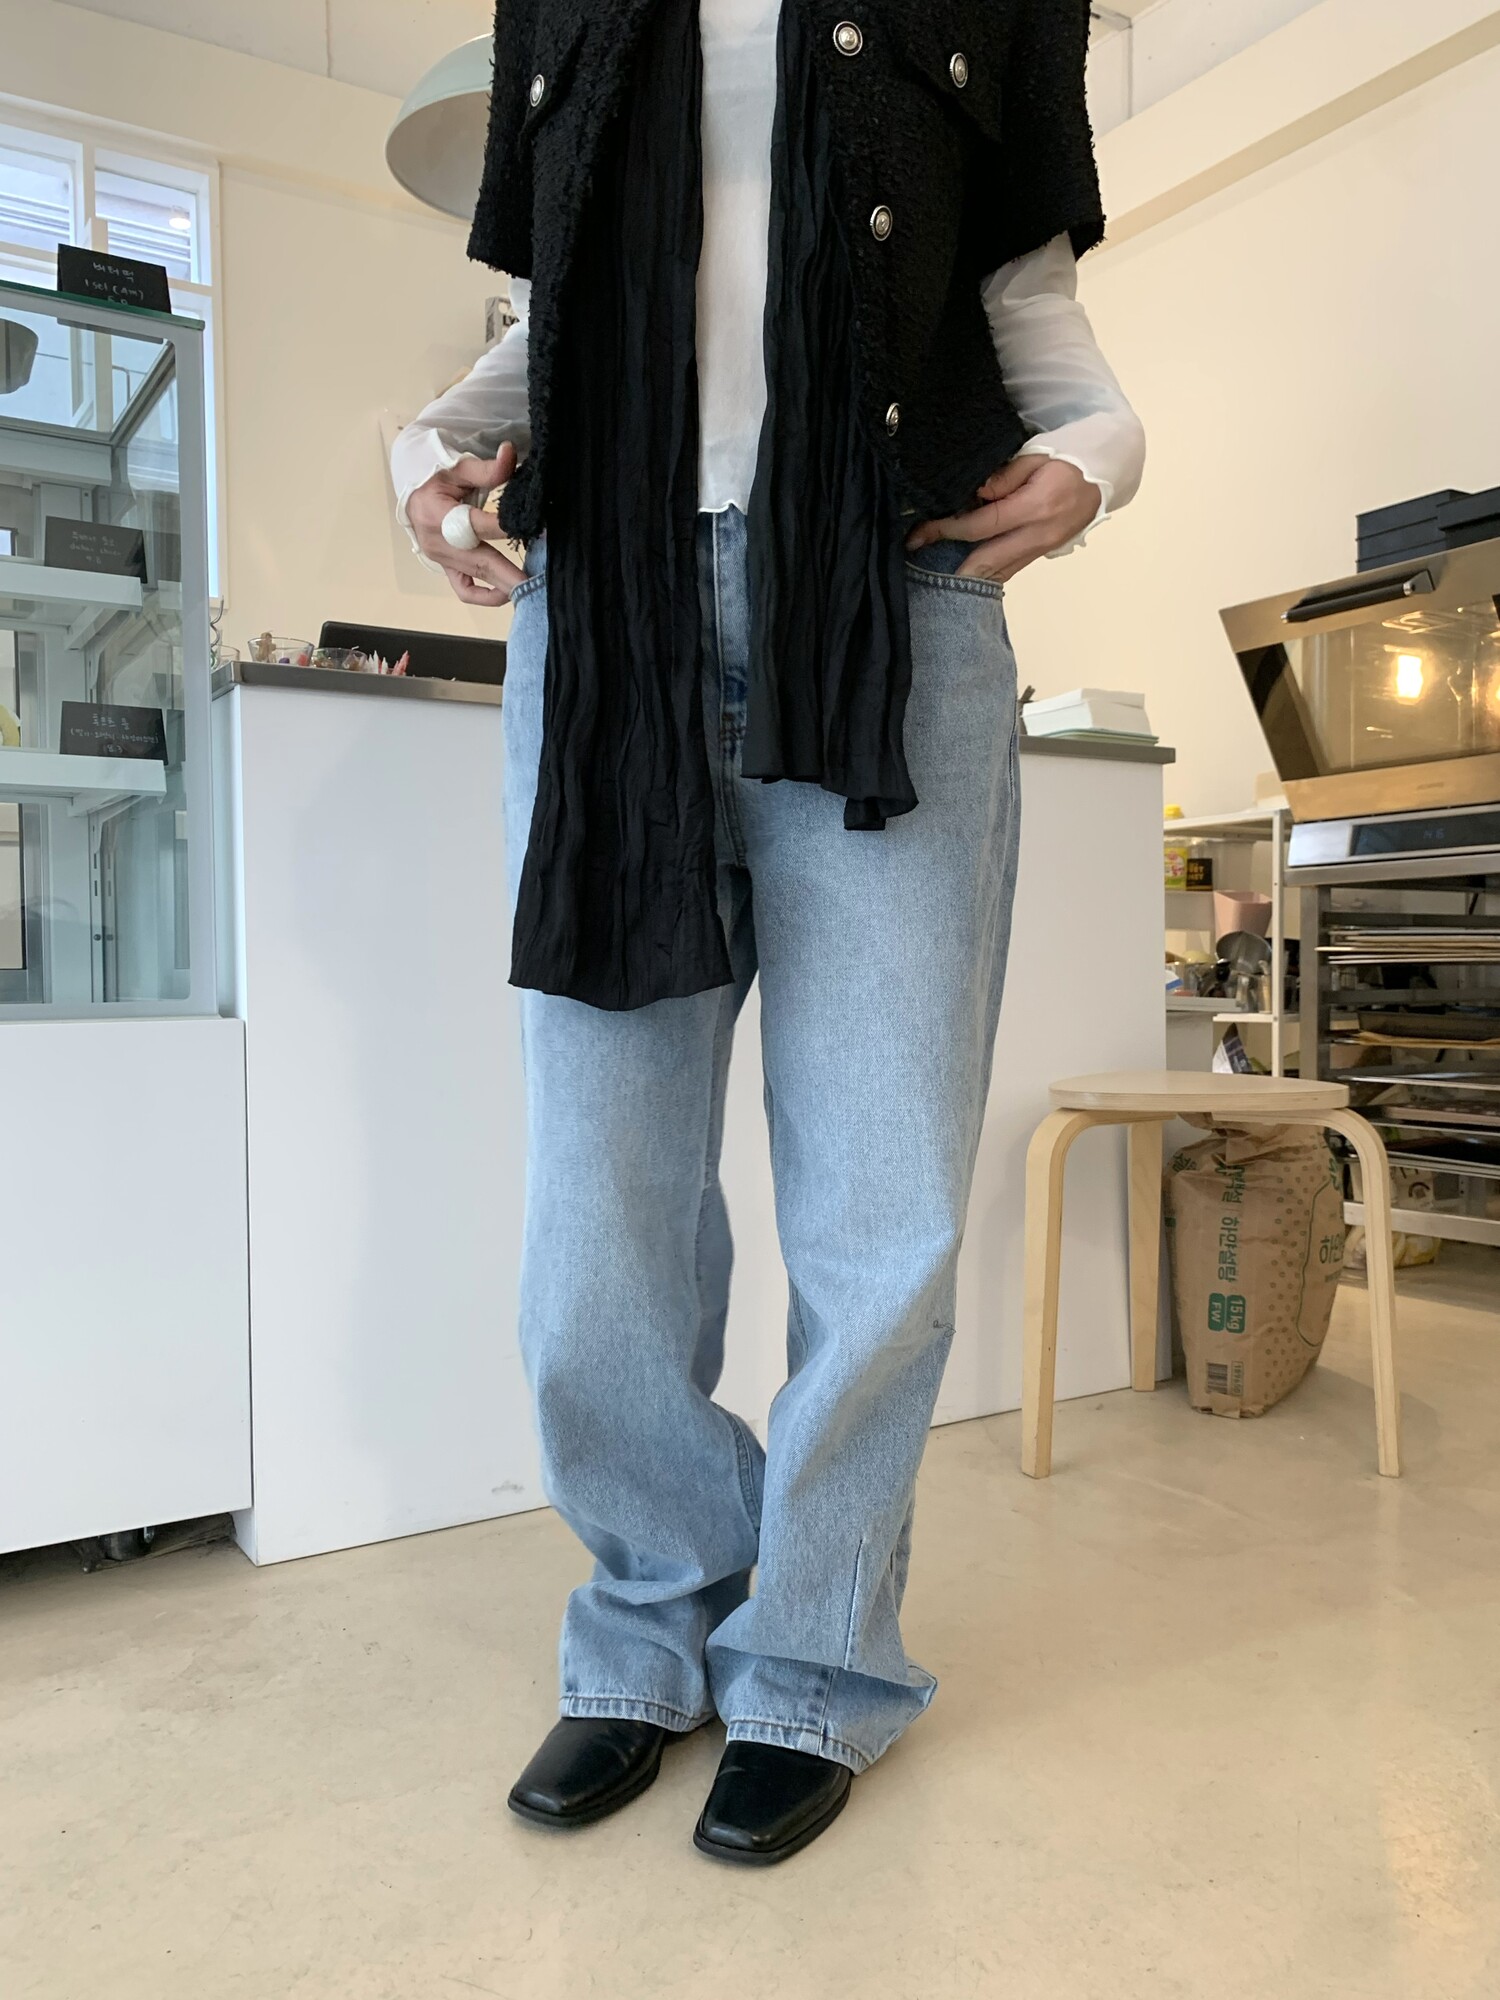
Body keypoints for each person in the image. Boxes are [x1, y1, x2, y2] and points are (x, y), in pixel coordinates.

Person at [391, 0, 1144, 1865]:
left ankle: (812, 1658)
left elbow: (1040, 327)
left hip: (893, 602)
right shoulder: (562, 9)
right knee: (599, 1212)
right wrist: (428, 444)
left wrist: (1100, 457)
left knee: (880, 1200)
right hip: (609, 623)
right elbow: (562, 320)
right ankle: (650, 1618)